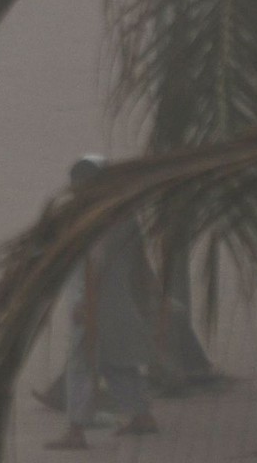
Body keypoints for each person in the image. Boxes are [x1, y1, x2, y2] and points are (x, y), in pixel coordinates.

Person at [46, 156, 159, 450]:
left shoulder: (93, 217)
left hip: (93, 303)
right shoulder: (124, 213)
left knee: (81, 364)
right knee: (117, 361)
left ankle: (75, 431)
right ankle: (141, 416)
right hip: (119, 302)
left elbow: (94, 264)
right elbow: (140, 262)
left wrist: (86, 305)